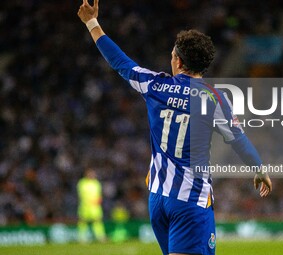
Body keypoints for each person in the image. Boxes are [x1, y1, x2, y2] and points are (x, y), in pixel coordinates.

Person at [77, 1, 272, 254]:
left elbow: (120, 62)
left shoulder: (155, 85)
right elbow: (238, 140)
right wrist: (258, 168)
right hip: (190, 202)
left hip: (158, 199)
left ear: (178, 62)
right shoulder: (213, 100)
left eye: (172, 56)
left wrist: (92, 23)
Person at [77, 168, 106, 242]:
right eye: (90, 173)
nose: (92, 175)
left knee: (97, 221)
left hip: (95, 207)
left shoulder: (96, 183)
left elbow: (99, 194)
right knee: (83, 222)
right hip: (85, 206)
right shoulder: (82, 183)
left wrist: (99, 200)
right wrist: (89, 201)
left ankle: (100, 237)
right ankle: (82, 237)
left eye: (93, 173)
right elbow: (82, 194)